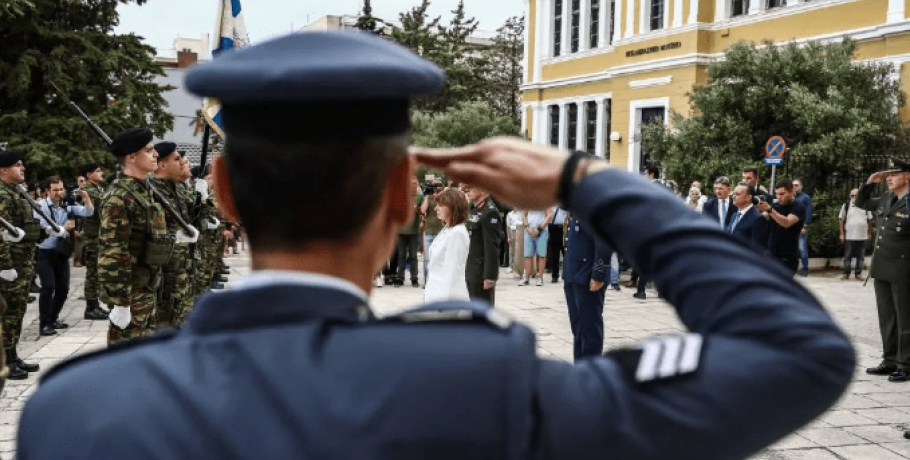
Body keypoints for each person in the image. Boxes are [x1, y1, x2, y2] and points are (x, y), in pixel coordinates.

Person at [18, 31, 855, 460]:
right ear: (399, 199)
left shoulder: (77, 409)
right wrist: (587, 181)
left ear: (226, 194)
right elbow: (797, 350)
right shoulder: (484, 384)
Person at [98, 128, 177, 345]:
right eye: (149, 150)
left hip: (148, 287)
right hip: (131, 292)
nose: (155, 155)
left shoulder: (144, 191)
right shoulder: (119, 197)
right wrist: (120, 302)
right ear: (132, 157)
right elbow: (112, 251)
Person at [855, 158, 910, 382]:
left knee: (905, 318)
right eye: (887, 175)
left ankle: (905, 364)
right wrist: (869, 183)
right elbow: (861, 203)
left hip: (904, 267)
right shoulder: (887, 198)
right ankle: (889, 360)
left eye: (894, 174)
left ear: (907, 176)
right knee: (887, 317)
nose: (889, 178)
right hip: (882, 266)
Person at [35, 177, 94, 337]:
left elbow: (88, 212)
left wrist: (86, 199)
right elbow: (41, 226)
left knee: (63, 289)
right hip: (45, 252)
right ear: (47, 191)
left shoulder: (67, 204)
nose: (59, 193)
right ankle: (44, 323)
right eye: (55, 190)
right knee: (48, 288)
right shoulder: (40, 206)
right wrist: (62, 228)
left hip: (62, 252)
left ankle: (54, 318)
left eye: (61, 189)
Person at [0, 152, 41, 380]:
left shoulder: (16, 192)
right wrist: (4, 266)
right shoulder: (2, 195)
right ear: (3, 170)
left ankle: (13, 356)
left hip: (23, 263)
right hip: (10, 267)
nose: (22, 168)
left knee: (17, 312)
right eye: (17, 165)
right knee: (8, 316)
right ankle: (5, 362)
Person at [149, 142, 198, 327]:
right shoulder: (152, 191)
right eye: (177, 159)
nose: (182, 163)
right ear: (162, 165)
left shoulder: (175, 188)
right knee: (163, 327)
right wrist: (176, 239)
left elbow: (195, 217)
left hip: (181, 268)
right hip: (164, 275)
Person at [563, 211, 611, 360]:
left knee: (590, 329)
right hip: (573, 275)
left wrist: (598, 275)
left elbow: (604, 244)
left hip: (587, 277)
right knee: (578, 328)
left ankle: (592, 371)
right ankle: (580, 367)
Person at [424, 189, 470, 303]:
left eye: (440, 205)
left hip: (447, 300)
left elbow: (452, 272)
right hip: (435, 293)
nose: (436, 208)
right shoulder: (448, 228)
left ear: (453, 207)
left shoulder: (457, 233)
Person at [79, 163, 109, 320]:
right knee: (93, 272)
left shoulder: (97, 189)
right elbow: (101, 213)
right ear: (89, 175)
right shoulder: (89, 191)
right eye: (97, 171)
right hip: (92, 237)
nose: (101, 173)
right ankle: (90, 307)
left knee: (97, 272)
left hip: (97, 235)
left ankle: (95, 304)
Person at [757, 180, 805, 274]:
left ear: (792, 191)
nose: (779, 197)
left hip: (787, 256)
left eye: (782, 194)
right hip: (771, 254)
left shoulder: (798, 207)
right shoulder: (775, 205)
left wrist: (770, 210)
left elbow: (787, 223)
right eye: (777, 194)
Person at [464, 184, 501, 304]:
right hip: (470, 267)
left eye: (471, 187)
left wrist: (490, 276)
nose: (467, 190)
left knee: (483, 312)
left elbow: (491, 247)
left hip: (480, 272)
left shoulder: (490, 213)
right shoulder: (472, 208)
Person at [838, 188, 872, 280]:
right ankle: (846, 273)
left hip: (862, 236)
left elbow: (869, 220)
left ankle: (858, 274)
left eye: (856, 195)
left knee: (860, 256)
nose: (854, 197)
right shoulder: (846, 206)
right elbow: (841, 220)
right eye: (852, 195)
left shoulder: (865, 205)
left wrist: (869, 233)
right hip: (849, 236)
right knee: (847, 256)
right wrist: (842, 234)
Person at [728, 184, 769, 253]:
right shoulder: (734, 215)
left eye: (737, 194)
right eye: (733, 194)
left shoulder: (757, 218)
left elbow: (757, 249)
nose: (733, 196)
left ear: (748, 197)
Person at [520, 208, 553, 286]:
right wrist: (527, 228)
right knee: (527, 255)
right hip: (529, 231)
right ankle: (526, 278)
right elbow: (523, 215)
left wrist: (540, 229)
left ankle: (540, 278)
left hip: (542, 231)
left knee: (541, 255)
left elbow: (549, 215)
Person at [419, 181, 444, 284]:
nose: (435, 191)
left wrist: (438, 197)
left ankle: (437, 281)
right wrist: (426, 197)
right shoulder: (428, 199)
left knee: (440, 259)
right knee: (427, 259)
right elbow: (422, 210)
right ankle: (427, 281)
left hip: (440, 233)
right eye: (434, 189)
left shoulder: (442, 199)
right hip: (429, 232)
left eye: (438, 188)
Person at [792, 179, 814, 277]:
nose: (794, 187)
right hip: (791, 225)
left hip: (801, 226)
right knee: (792, 248)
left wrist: (805, 225)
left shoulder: (806, 198)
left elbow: (808, 212)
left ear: (801, 186)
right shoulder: (790, 196)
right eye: (793, 185)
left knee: (802, 248)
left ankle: (805, 270)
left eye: (796, 185)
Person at [546, 206, 567, 283]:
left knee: (566, 253)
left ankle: (566, 274)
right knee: (554, 254)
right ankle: (555, 275)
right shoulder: (551, 205)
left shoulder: (565, 204)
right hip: (553, 227)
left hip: (564, 228)